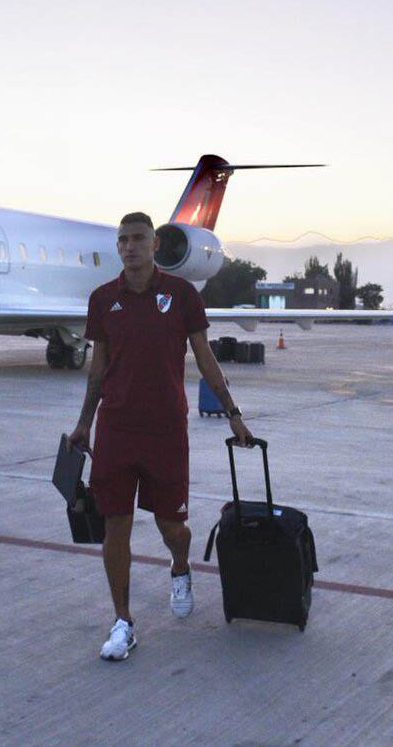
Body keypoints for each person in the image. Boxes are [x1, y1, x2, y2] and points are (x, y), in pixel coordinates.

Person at [68, 212, 253, 662]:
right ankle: (122, 621)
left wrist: (233, 413)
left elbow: (205, 357)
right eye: (123, 240)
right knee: (116, 524)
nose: (130, 247)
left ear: (154, 246)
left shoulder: (182, 295)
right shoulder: (102, 299)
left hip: (167, 428)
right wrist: (84, 422)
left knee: (173, 526)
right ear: (118, 247)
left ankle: (180, 565)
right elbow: (98, 367)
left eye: (139, 239)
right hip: (116, 428)